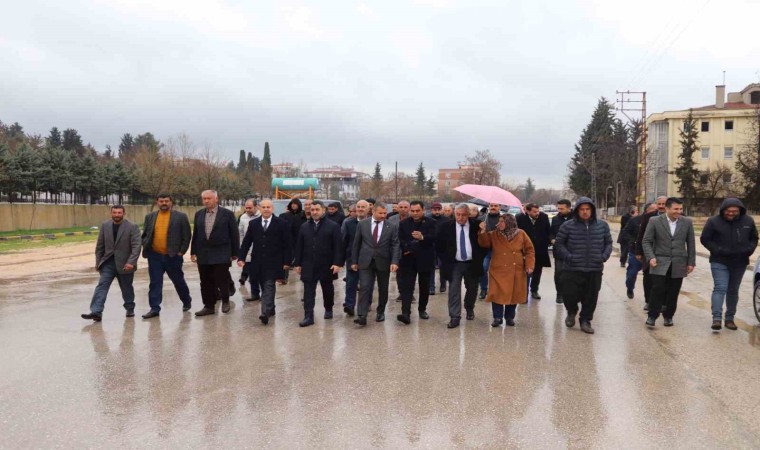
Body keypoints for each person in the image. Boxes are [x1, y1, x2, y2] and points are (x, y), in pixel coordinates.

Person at [554, 197, 612, 334]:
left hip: (594, 268)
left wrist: (603, 256)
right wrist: (569, 256)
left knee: (591, 297)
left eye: (587, 209)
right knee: (569, 294)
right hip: (572, 268)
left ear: (592, 210)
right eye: (582, 209)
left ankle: (585, 320)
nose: (585, 212)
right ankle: (571, 311)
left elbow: (608, 243)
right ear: (577, 211)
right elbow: (559, 244)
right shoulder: (567, 226)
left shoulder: (602, 225)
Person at [700, 198, 758, 330]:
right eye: (728, 211)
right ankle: (716, 318)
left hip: (740, 261)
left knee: (733, 290)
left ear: (740, 210)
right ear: (723, 210)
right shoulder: (713, 221)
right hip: (719, 260)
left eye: (735, 211)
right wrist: (718, 250)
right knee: (720, 288)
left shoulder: (748, 221)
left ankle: (730, 319)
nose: (731, 213)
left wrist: (748, 251)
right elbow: (705, 239)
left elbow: (754, 238)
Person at [642, 197, 695, 328]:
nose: (679, 211)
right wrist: (651, 257)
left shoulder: (687, 222)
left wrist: (691, 262)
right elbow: (646, 241)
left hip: (679, 262)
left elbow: (691, 244)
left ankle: (668, 316)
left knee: (673, 291)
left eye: (681, 209)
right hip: (659, 261)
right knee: (657, 289)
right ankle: (652, 316)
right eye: (675, 209)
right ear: (667, 208)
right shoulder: (654, 221)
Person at [81, 205, 141, 322]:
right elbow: (100, 245)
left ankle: (130, 308)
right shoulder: (105, 225)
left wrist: (131, 262)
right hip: (108, 263)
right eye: (114, 213)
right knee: (101, 286)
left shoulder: (132, 227)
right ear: (111, 213)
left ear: (124, 213)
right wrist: (98, 262)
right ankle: (96, 312)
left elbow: (136, 246)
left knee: (126, 287)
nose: (117, 215)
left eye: (119, 213)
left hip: (125, 264)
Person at [238, 199, 292, 325]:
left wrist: (287, 262)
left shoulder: (281, 223)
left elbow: (287, 244)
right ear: (259, 208)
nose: (266, 209)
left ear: (272, 209)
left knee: (269, 285)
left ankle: (265, 312)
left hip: (274, 261)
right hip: (258, 261)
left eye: (268, 207)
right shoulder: (254, 223)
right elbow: (246, 242)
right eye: (264, 207)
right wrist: (241, 257)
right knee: (263, 284)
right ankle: (271, 307)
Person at [140, 193, 192, 319]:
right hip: (155, 256)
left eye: (166, 201)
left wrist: (182, 251)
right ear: (157, 202)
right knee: (155, 283)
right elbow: (146, 234)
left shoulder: (180, 217)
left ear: (171, 202)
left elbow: (187, 235)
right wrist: (146, 245)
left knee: (178, 281)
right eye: (161, 201)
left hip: (173, 256)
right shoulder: (150, 217)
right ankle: (154, 308)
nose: (164, 203)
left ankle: (186, 300)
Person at [477, 214, 535, 327]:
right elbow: (484, 243)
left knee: (513, 294)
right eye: (499, 221)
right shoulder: (494, 233)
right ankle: (497, 317)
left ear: (509, 222)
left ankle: (509, 317)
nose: (499, 224)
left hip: (516, 269)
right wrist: (482, 231)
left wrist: (529, 265)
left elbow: (529, 250)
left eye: (502, 221)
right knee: (496, 294)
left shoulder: (521, 233)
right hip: (498, 269)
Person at [293, 201, 344, 327]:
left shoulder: (333, 226)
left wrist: (337, 263)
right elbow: (299, 246)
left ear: (323, 210)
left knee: (327, 289)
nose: (314, 212)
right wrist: (298, 263)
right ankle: (308, 316)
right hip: (308, 264)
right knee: (308, 291)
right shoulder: (304, 226)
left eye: (317, 209)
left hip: (326, 264)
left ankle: (328, 308)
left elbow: (339, 247)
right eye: (312, 209)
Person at [351, 202, 401, 326]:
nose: (383, 216)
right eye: (380, 213)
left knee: (383, 288)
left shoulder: (391, 226)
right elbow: (356, 243)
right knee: (365, 287)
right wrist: (354, 261)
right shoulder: (363, 224)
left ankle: (381, 311)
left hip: (383, 261)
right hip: (365, 261)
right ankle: (362, 315)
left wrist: (395, 261)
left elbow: (395, 245)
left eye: (385, 213)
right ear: (373, 212)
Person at [437, 203, 487, 328]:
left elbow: (485, 245)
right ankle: (455, 316)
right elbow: (439, 245)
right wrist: (445, 259)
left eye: (464, 215)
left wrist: (483, 232)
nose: (460, 218)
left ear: (469, 214)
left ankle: (469, 307)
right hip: (454, 264)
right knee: (454, 289)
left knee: (472, 289)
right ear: (454, 214)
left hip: (472, 263)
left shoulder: (477, 226)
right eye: (458, 215)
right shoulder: (446, 226)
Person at [191, 190, 239, 316]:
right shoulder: (199, 214)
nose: (206, 201)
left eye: (209, 198)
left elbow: (234, 234)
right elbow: (195, 234)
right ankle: (208, 306)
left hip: (221, 251)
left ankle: (225, 301)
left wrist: (235, 252)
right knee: (205, 280)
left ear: (216, 199)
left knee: (221, 279)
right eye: (204, 199)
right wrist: (193, 251)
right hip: (203, 253)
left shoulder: (227, 214)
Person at [397, 200, 436, 324]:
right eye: (412, 211)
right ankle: (405, 313)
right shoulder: (403, 223)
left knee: (424, 287)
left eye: (417, 211)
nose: (415, 213)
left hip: (425, 260)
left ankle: (422, 309)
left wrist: (422, 237)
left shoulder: (431, 222)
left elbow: (435, 238)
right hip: (408, 259)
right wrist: (409, 246)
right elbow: (400, 240)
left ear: (423, 210)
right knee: (407, 287)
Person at [635, 196, 668, 310]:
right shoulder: (648, 217)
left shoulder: (674, 217)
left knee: (664, 278)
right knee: (648, 277)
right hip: (648, 251)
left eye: (664, 204)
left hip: (665, 253)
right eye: (659, 204)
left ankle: (663, 302)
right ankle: (648, 301)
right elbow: (641, 234)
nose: (661, 206)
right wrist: (639, 251)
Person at [619, 203, 656, 299]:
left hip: (652, 253)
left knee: (650, 278)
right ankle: (630, 288)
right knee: (632, 273)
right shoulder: (635, 220)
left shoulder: (660, 221)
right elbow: (625, 233)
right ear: (647, 210)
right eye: (653, 209)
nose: (656, 211)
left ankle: (650, 299)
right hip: (636, 252)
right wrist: (633, 241)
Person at [516, 203, 551, 300]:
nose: (537, 213)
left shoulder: (544, 217)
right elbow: (516, 232)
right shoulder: (519, 217)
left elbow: (548, 231)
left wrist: (548, 242)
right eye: (534, 212)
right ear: (527, 211)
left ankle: (534, 290)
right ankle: (524, 292)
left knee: (537, 271)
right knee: (526, 271)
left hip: (540, 249)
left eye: (538, 211)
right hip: (525, 249)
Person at [342, 200, 370, 316]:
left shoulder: (372, 223)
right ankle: (349, 305)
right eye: (358, 207)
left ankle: (365, 305)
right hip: (352, 258)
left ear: (368, 209)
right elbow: (343, 241)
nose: (360, 209)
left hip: (368, 259)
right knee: (350, 283)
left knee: (366, 284)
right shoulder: (348, 223)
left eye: (363, 207)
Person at [239, 199, 262, 301]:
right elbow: (240, 233)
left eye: (250, 208)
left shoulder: (262, 216)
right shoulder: (243, 217)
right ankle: (255, 294)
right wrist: (241, 247)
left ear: (256, 206)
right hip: (248, 250)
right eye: (246, 207)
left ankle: (265, 294)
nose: (247, 210)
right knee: (252, 275)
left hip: (260, 250)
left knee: (262, 274)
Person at [279, 198, 307, 284]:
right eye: (292, 204)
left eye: (295, 204)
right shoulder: (285, 215)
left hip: (300, 240)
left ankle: (304, 277)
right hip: (288, 240)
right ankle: (283, 277)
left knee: (302, 259)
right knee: (286, 259)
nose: (293, 205)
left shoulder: (303, 215)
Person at [550, 199, 572, 304]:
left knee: (573, 274)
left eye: (562, 208)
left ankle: (573, 294)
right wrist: (552, 239)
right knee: (559, 273)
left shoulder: (576, 219)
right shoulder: (555, 219)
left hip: (573, 251)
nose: (559, 210)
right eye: (558, 208)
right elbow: (551, 233)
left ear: (569, 208)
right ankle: (559, 294)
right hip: (559, 251)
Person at [388, 200, 411, 301]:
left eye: (405, 207)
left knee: (410, 273)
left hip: (410, 249)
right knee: (399, 273)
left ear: (409, 208)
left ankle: (410, 293)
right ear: (397, 208)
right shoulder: (391, 219)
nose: (403, 209)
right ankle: (401, 292)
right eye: (401, 207)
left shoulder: (413, 219)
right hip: (396, 249)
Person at [479, 203, 502, 300]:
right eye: (491, 205)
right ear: (488, 206)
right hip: (485, 249)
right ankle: (484, 289)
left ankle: (497, 289)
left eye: (496, 206)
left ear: (499, 207)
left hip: (499, 249)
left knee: (498, 271)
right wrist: (482, 230)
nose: (493, 207)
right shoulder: (483, 218)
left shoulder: (503, 219)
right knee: (483, 268)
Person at [426, 202, 447, 295]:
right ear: (431, 210)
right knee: (431, 267)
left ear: (441, 210)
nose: (437, 212)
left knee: (442, 266)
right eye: (435, 210)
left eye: (439, 210)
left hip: (442, 246)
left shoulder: (446, 220)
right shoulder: (427, 219)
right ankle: (431, 287)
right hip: (430, 246)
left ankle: (443, 283)